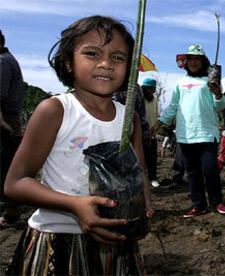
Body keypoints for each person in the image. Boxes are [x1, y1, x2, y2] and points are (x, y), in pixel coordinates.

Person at [4, 16, 153, 275]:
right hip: (59, 239)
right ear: (68, 62)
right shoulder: (55, 111)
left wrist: (144, 206)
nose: (106, 64)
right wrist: (74, 205)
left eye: (118, 57)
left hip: (117, 239)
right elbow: (15, 184)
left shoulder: (130, 119)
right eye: (92, 53)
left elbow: (139, 171)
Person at [152, 44, 225, 218]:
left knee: (210, 170)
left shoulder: (210, 82)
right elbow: (173, 106)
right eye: (190, 58)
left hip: (207, 133)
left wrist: (218, 94)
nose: (193, 62)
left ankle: (217, 202)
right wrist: (160, 121)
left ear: (203, 61)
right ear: (186, 62)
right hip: (185, 135)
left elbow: (220, 106)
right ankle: (198, 205)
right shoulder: (181, 82)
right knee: (192, 173)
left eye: (197, 58)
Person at [0, 30, 25, 228]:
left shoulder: (3, 62)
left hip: (5, 118)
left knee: (5, 164)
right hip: (7, 117)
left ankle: (10, 212)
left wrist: (3, 123)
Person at [141, 77, 160, 188]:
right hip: (141, 134)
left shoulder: (156, 99)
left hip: (152, 134)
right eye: (147, 88)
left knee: (152, 158)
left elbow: (156, 114)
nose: (149, 91)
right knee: (141, 158)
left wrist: (155, 128)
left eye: (151, 89)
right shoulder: (139, 99)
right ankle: (141, 180)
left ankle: (153, 178)